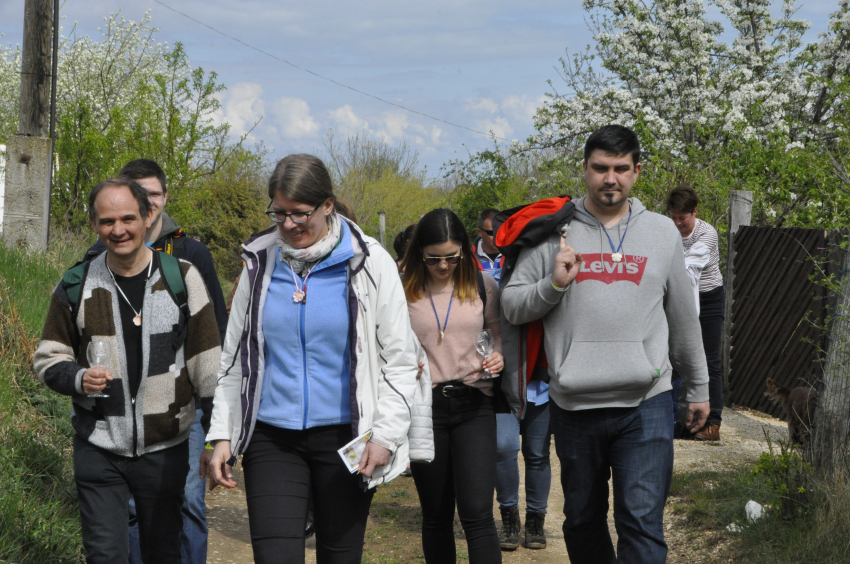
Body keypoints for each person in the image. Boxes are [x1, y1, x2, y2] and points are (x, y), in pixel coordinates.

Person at [501, 124, 710, 564]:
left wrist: (699, 388)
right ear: (585, 169)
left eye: (620, 168)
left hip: (647, 402)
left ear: (636, 171)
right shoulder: (551, 231)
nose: (609, 179)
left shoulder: (660, 232)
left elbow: (683, 319)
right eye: (599, 168)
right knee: (582, 519)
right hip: (576, 406)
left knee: (641, 522)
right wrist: (553, 285)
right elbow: (512, 306)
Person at [204, 154, 418, 564]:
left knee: (340, 556)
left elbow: (401, 360)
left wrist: (387, 435)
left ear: (327, 205)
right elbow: (235, 360)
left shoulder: (370, 262)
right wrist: (223, 435)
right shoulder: (258, 262)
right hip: (272, 437)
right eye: (278, 213)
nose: (288, 225)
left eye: (300, 214)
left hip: (346, 436)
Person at [33, 178, 220, 563]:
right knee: (105, 555)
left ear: (148, 216)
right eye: (107, 221)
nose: (118, 230)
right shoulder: (76, 283)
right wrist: (78, 378)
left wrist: (219, 439)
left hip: (165, 449)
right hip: (98, 443)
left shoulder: (181, 279)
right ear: (94, 224)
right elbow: (48, 358)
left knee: (162, 553)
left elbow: (208, 366)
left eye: (128, 218)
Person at [82, 159, 227, 564]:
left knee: (188, 502)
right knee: (128, 513)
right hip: (115, 419)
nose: (148, 205)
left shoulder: (191, 255)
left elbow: (213, 330)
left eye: (154, 196)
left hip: (178, 412)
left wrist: (219, 422)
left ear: (159, 201)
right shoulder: (95, 257)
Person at [402, 208, 505, 564]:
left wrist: (498, 356)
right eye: (433, 258)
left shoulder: (482, 285)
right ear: (419, 253)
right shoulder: (403, 290)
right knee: (436, 514)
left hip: (474, 405)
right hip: (424, 409)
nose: (443, 265)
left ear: (464, 249)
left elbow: (497, 335)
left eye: (451, 256)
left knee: (477, 512)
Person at [668, 185, 725, 441]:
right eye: (674, 217)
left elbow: (688, 267)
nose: (678, 223)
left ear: (695, 212)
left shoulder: (707, 233)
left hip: (708, 298)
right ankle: (679, 420)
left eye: (683, 217)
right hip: (680, 298)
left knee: (709, 361)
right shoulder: (668, 232)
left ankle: (712, 424)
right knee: (677, 359)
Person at [474, 208, 503, 282]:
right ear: (480, 232)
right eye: (492, 233)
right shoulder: (468, 258)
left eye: (501, 231)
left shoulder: (514, 256)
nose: (498, 236)